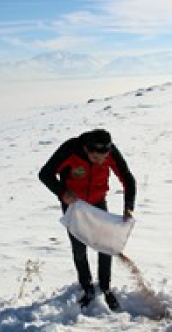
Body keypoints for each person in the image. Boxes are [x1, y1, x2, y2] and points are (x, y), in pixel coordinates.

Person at [39, 129, 136, 311]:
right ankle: (87, 287)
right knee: (79, 247)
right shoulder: (70, 149)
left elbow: (128, 179)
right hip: (74, 205)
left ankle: (105, 287)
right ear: (86, 149)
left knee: (105, 245)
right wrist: (62, 192)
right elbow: (45, 174)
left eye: (104, 158)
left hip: (98, 203)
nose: (101, 162)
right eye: (95, 159)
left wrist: (128, 205)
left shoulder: (111, 152)